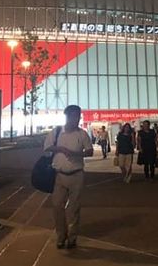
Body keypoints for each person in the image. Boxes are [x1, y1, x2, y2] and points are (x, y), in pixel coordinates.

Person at [43, 105, 94, 249]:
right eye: (73, 116)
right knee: (57, 205)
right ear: (67, 116)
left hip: (77, 175)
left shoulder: (82, 134)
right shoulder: (57, 132)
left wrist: (77, 154)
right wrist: (61, 149)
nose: (75, 119)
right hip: (59, 175)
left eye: (78, 116)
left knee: (73, 207)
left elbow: (89, 151)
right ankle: (61, 235)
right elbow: (46, 147)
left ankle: (72, 237)